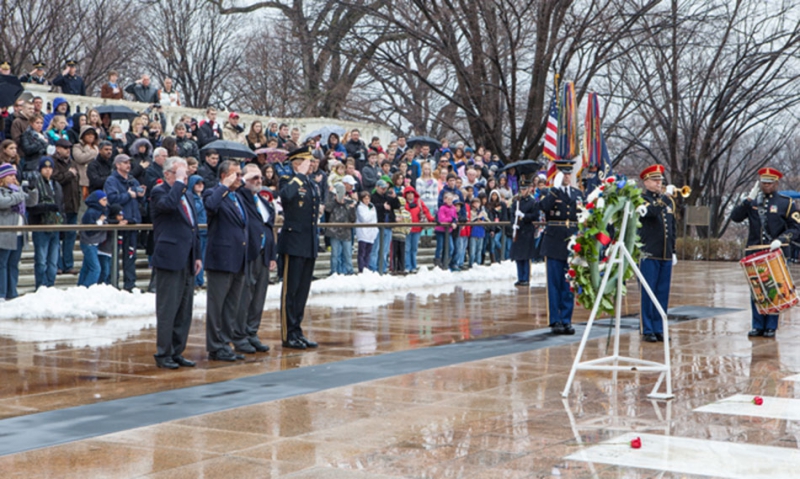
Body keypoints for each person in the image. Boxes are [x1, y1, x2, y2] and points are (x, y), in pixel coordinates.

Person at [731, 166, 800, 338]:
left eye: (770, 183)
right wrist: (747, 199)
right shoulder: (753, 202)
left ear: (776, 183)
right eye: (763, 183)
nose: (766, 186)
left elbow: (795, 227)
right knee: (757, 289)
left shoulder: (786, 203)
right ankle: (757, 325)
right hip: (755, 251)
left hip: (776, 251)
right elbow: (736, 217)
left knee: (774, 288)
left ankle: (771, 326)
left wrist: (782, 240)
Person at [150, 157, 202, 369]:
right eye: (180, 174)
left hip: (188, 257)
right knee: (168, 308)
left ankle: (177, 350)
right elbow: (169, 206)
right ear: (167, 174)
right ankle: (163, 353)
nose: (185, 178)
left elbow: (193, 227)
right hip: (170, 257)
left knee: (184, 309)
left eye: (186, 175)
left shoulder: (187, 194)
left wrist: (197, 255)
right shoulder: (159, 192)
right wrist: (179, 183)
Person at [203, 160, 249, 361]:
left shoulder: (237, 197)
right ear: (224, 176)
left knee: (231, 305)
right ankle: (215, 345)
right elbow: (210, 206)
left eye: (240, 174)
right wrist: (223, 186)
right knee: (217, 305)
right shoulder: (214, 193)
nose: (240, 178)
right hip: (221, 258)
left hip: (238, 258)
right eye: (235, 175)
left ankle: (225, 343)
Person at [278, 147, 321, 349]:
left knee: (302, 291)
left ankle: (297, 330)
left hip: (308, 243)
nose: (311, 164)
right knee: (291, 291)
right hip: (293, 242)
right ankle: (288, 334)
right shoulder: (288, 180)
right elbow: (286, 196)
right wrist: (299, 176)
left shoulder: (311, 183)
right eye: (307, 161)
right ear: (296, 163)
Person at [234, 164, 277, 353]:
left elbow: (268, 227)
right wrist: (244, 181)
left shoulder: (262, 200)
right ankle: (240, 335)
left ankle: (252, 332)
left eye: (260, 178)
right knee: (245, 296)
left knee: (259, 296)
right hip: (248, 253)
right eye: (254, 178)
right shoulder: (241, 197)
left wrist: (272, 254)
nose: (258, 181)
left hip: (263, 254)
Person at [539, 159, 584, 335]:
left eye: (568, 173)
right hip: (553, 242)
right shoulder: (551, 193)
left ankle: (566, 319)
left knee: (568, 284)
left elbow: (583, 215)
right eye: (563, 173)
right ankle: (555, 319)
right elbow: (543, 207)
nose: (567, 176)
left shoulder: (577, 193)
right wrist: (554, 191)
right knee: (554, 283)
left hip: (571, 243)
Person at [637, 165, 677, 343]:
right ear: (646, 182)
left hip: (664, 253)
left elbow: (672, 227)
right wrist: (665, 198)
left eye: (660, 180)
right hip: (649, 252)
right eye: (655, 180)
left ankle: (659, 327)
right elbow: (652, 213)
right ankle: (647, 328)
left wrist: (673, 250)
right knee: (648, 292)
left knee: (662, 292)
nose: (659, 183)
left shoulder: (667, 202)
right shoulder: (641, 199)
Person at [104, 154, 145, 291]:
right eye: (125, 163)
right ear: (118, 165)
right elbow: (111, 199)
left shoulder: (133, 181)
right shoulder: (111, 180)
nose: (128, 165)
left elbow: (139, 201)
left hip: (132, 222)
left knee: (131, 255)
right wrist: (128, 195)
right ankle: (113, 283)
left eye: (129, 162)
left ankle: (130, 284)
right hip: (119, 223)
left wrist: (140, 196)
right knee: (115, 254)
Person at [0, 163, 37, 300]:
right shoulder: (5, 191)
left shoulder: (17, 190)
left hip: (19, 234)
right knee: (2, 264)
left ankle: (12, 292)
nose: (13, 178)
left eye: (14, 175)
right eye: (9, 175)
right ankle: (1, 293)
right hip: (5, 233)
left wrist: (33, 189)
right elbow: (3, 203)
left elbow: (32, 202)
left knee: (13, 264)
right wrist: (19, 195)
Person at [28, 158, 64, 289]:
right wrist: (48, 207)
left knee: (53, 261)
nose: (48, 170)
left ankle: (50, 285)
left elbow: (61, 206)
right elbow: (31, 207)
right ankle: (41, 286)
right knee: (41, 261)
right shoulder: (35, 184)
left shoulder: (57, 185)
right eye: (45, 168)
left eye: (50, 168)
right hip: (41, 226)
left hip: (55, 226)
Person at [51, 139, 80, 274]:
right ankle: (57, 265)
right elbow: (55, 178)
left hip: (72, 205)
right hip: (59, 206)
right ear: (57, 148)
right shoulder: (52, 162)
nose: (68, 150)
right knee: (57, 237)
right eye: (64, 147)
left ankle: (68, 264)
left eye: (69, 147)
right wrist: (69, 174)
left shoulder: (73, 163)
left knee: (70, 237)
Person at [508, 173, 539, 284]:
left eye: (525, 189)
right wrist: (513, 224)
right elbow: (511, 214)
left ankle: (525, 278)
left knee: (526, 256)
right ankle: (520, 277)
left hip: (527, 231)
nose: (523, 191)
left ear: (529, 189)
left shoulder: (532, 202)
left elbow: (535, 215)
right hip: (518, 231)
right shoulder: (516, 202)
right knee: (518, 256)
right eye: (521, 189)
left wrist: (524, 216)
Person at [325, 178, 357, 275]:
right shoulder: (332, 203)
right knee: (335, 254)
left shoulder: (348, 203)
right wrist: (333, 199)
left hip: (346, 232)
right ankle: (334, 271)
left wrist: (351, 208)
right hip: (334, 232)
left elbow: (353, 219)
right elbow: (327, 209)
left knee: (347, 254)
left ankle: (349, 271)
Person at [77, 190, 108, 287]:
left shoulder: (101, 211)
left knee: (86, 267)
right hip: (89, 243)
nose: (106, 202)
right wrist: (100, 222)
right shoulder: (91, 212)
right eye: (103, 200)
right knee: (95, 268)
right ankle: (88, 287)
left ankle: (81, 286)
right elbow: (89, 230)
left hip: (94, 243)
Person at [403, 186, 433, 272]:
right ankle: (408, 266)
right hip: (407, 229)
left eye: (411, 193)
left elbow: (426, 211)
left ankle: (414, 266)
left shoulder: (419, 202)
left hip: (417, 228)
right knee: (407, 249)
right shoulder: (403, 203)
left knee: (414, 249)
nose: (410, 195)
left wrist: (432, 219)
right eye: (408, 193)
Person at [188, 175, 207, 287]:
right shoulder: (192, 198)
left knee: (202, 257)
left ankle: (199, 280)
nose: (201, 185)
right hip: (197, 232)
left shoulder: (202, 198)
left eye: (202, 183)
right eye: (197, 183)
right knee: (197, 258)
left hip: (205, 231)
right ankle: (196, 280)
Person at [72, 126, 99, 200]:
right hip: (84, 179)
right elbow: (80, 158)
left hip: (96, 179)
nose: (91, 136)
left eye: (92, 134)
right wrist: (93, 153)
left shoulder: (97, 147)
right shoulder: (77, 147)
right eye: (88, 134)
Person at [356, 191, 378, 273]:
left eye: (368, 198)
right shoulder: (360, 208)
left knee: (368, 253)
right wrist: (371, 213)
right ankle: (361, 269)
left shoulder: (372, 206)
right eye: (365, 198)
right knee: (362, 252)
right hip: (363, 232)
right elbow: (364, 219)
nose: (367, 200)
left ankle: (366, 268)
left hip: (371, 233)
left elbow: (374, 219)